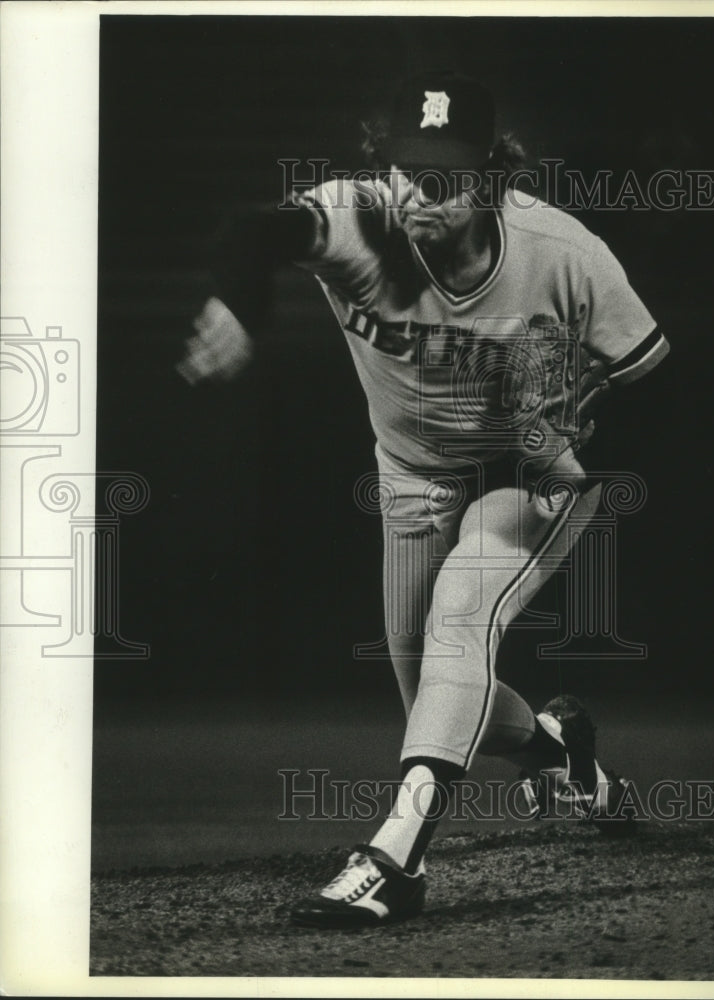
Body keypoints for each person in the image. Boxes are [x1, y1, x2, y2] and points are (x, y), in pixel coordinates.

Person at [178, 70, 669, 928]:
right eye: (407, 170)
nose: (419, 194)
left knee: (457, 627)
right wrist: (239, 306)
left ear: (490, 177)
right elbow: (251, 233)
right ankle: (564, 754)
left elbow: (648, 369)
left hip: (526, 476)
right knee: (439, 697)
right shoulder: (358, 218)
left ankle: (394, 860)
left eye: (444, 177)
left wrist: (577, 427)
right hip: (410, 476)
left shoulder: (563, 255)